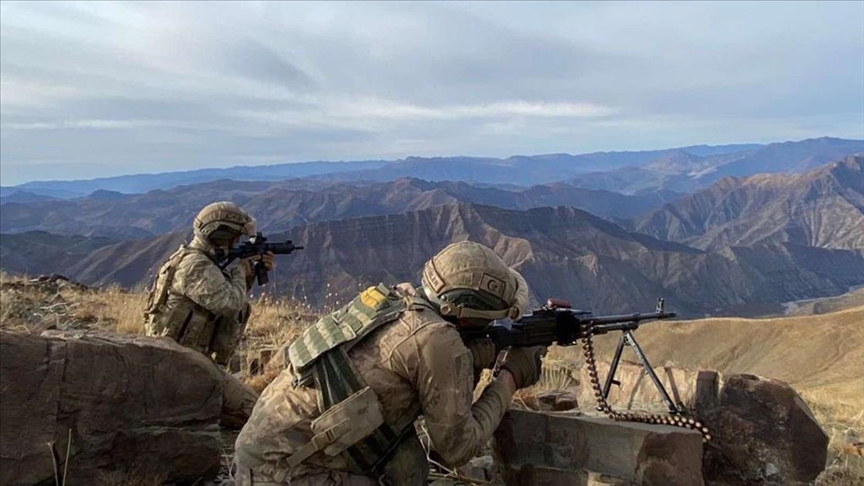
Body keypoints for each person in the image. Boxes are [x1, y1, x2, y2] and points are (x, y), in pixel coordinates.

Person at [234, 241, 545, 485]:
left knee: (406, 458)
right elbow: (457, 449)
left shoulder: (397, 299)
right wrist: (510, 377)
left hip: (257, 457)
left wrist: (478, 355)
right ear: (467, 314)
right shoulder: (439, 341)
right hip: (285, 476)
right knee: (408, 471)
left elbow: (394, 359)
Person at [144, 201, 275, 365]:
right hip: (174, 360)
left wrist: (250, 274)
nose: (236, 242)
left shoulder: (205, 260)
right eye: (234, 237)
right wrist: (240, 271)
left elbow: (227, 293)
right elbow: (229, 304)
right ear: (221, 235)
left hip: (184, 355)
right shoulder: (195, 265)